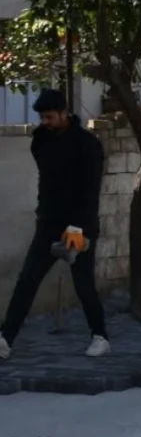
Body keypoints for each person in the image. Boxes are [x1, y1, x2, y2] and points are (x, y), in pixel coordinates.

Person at [0, 89, 109, 360]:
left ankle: (100, 336)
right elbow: (46, 181)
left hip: (79, 225)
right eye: (42, 117)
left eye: (50, 117)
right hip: (49, 223)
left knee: (83, 285)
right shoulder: (41, 141)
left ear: (64, 113)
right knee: (27, 280)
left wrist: (78, 227)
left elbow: (90, 189)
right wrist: (45, 214)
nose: (45, 122)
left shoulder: (87, 144)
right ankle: (5, 338)